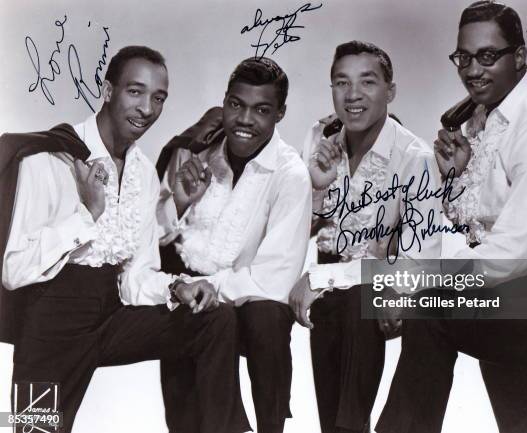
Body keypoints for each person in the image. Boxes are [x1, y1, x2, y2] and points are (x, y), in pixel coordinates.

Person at [375, 2, 527, 432]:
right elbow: (481, 222)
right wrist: (457, 176)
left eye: (487, 56)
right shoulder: (490, 117)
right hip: (517, 288)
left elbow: (508, 257)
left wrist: (418, 280)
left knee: (432, 313)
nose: (472, 70)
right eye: (463, 57)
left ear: (519, 57)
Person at [1, 46, 250, 433]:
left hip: (113, 311)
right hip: (52, 320)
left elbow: (136, 275)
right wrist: (87, 214)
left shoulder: (143, 172)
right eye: (135, 92)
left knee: (213, 317)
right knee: (31, 430)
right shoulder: (48, 159)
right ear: (107, 90)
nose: (147, 108)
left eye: (158, 98)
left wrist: (179, 288)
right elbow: (14, 270)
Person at [289, 41, 442, 433]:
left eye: (367, 82)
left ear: (390, 91)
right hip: (326, 286)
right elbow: (296, 229)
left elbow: (421, 261)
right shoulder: (320, 137)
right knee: (330, 306)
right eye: (341, 82)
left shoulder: (415, 158)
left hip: (385, 286)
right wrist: (318, 189)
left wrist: (326, 279)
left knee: (356, 300)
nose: (352, 95)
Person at [156, 57, 312, 433]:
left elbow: (273, 279)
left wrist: (213, 288)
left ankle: (269, 425)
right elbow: (153, 241)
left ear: (280, 113)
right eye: (236, 105)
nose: (244, 120)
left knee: (266, 316)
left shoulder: (291, 175)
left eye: (261, 110)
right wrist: (179, 201)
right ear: (224, 101)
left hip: (251, 301)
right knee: (197, 313)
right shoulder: (196, 151)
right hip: (189, 290)